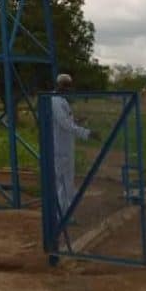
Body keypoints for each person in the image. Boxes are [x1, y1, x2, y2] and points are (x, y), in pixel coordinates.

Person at [52, 73, 92, 216]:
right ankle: (60, 216)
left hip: (66, 147)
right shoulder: (55, 101)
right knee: (61, 183)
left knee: (67, 181)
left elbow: (68, 122)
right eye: (66, 85)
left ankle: (67, 214)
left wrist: (77, 121)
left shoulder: (62, 100)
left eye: (69, 85)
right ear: (60, 85)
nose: (68, 88)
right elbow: (64, 124)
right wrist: (87, 133)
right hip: (59, 148)